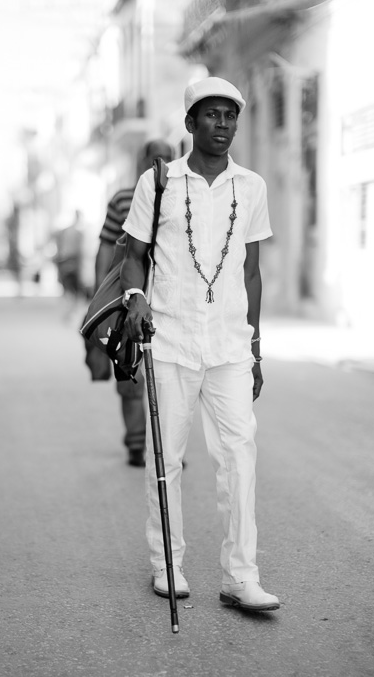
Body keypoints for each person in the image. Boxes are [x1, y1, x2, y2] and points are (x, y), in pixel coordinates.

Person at [120, 77, 280, 611]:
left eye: (230, 116)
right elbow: (133, 253)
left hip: (231, 346)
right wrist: (136, 296)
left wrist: (255, 350)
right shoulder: (158, 183)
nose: (222, 125)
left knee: (240, 457)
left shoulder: (251, 187)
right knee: (167, 459)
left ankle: (242, 576)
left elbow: (251, 274)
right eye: (211, 115)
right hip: (169, 341)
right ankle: (169, 565)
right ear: (190, 124)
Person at [92, 139, 175, 467]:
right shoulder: (123, 198)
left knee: (169, 379)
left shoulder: (184, 195)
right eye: (155, 158)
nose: (161, 164)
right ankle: (135, 443)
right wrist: (100, 295)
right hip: (129, 295)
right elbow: (105, 247)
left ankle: (168, 448)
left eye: (167, 159)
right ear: (141, 160)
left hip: (168, 299)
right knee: (129, 372)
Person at [54, 210, 84, 320]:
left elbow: (59, 248)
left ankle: (68, 312)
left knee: (67, 290)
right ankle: (70, 313)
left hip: (64, 262)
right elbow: (80, 252)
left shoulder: (64, 231)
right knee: (75, 291)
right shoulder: (79, 233)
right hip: (73, 263)